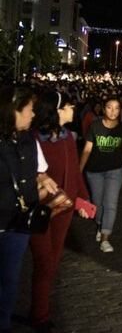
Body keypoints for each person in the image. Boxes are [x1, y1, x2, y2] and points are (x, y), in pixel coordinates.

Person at [29, 91, 90, 332]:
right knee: (44, 261)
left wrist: (83, 201)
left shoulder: (68, 138)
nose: (73, 109)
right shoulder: (34, 139)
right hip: (40, 209)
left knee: (53, 261)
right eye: (69, 106)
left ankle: (40, 309)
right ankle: (40, 315)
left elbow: (74, 172)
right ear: (57, 110)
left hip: (64, 208)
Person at [0, 86, 58, 332]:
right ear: (12, 111)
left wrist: (41, 179)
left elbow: (34, 171)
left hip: (19, 225)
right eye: (29, 110)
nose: (33, 114)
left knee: (9, 281)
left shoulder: (29, 140)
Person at [79, 97, 122, 253]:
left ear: (120, 110)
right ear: (104, 109)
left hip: (115, 170)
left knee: (110, 203)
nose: (113, 111)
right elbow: (87, 150)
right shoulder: (95, 126)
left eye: (116, 108)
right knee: (97, 203)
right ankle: (100, 224)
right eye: (109, 107)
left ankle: (105, 238)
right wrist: (78, 170)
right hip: (94, 171)